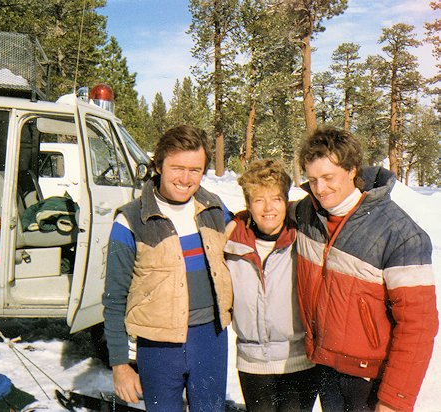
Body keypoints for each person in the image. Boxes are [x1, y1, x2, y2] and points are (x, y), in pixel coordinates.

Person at [293, 126, 439, 412]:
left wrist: (394, 400)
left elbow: (418, 325)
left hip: (369, 379)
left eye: (328, 177)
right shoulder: (307, 214)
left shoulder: (400, 234)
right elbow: (268, 217)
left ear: (352, 170)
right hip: (325, 367)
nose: (320, 189)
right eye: (312, 180)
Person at [103, 125, 233, 412]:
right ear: (159, 164)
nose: (186, 179)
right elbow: (114, 300)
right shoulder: (131, 221)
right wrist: (119, 365)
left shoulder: (214, 209)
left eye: (195, 170)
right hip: (159, 348)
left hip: (210, 340)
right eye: (177, 168)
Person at [225, 159, 319, 412]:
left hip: (299, 362)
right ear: (248, 205)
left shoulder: (304, 239)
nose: (268, 208)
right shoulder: (232, 243)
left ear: (286, 202)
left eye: (276, 199)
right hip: (252, 364)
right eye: (259, 200)